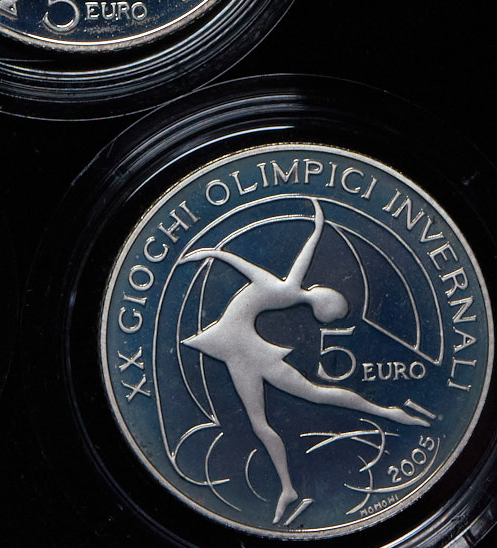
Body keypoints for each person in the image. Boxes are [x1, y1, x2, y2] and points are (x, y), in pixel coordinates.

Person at [179, 198, 428, 524]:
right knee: (307, 398)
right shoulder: (286, 289)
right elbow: (282, 260)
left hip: (242, 352)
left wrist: (212, 253)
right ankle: (384, 415)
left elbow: (251, 263)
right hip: (241, 351)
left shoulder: (284, 288)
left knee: (276, 416)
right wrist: (317, 225)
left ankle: (289, 487)